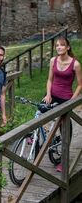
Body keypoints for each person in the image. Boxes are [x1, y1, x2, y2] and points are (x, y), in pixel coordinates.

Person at [43, 36, 82, 172]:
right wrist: (48, 94)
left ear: (68, 47)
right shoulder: (53, 60)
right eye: (57, 45)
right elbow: (49, 80)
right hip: (52, 95)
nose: (59, 47)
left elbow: (80, 84)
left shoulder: (75, 64)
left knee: (66, 128)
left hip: (66, 98)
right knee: (39, 111)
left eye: (62, 45)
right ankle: (35, 138)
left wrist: (73, 100)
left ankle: (63, 161)